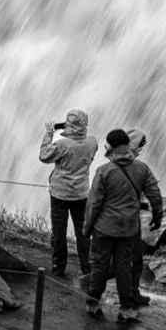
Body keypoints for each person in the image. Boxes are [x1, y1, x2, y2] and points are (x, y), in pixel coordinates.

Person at [84, 127, 164, 323]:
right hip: (128, 228)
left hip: (104, 228)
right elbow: (155, 194)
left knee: (100, 265)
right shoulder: (142, 168)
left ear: (110, 147)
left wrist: (87, 227)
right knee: (124, 268)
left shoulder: (104, 171)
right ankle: (127, 309)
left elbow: (94, 203)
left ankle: (93, 303)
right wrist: (158, 215)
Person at [40, 109, 97, 278]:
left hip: (60, 194)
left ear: (69, 125)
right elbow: (81, 148)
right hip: (81, 193)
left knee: (59, 231)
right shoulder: (92, 143)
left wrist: (49, 133)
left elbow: (44, 155)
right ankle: (87, 267)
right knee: (83, 231)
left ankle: (59, 266)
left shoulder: (63, 145)